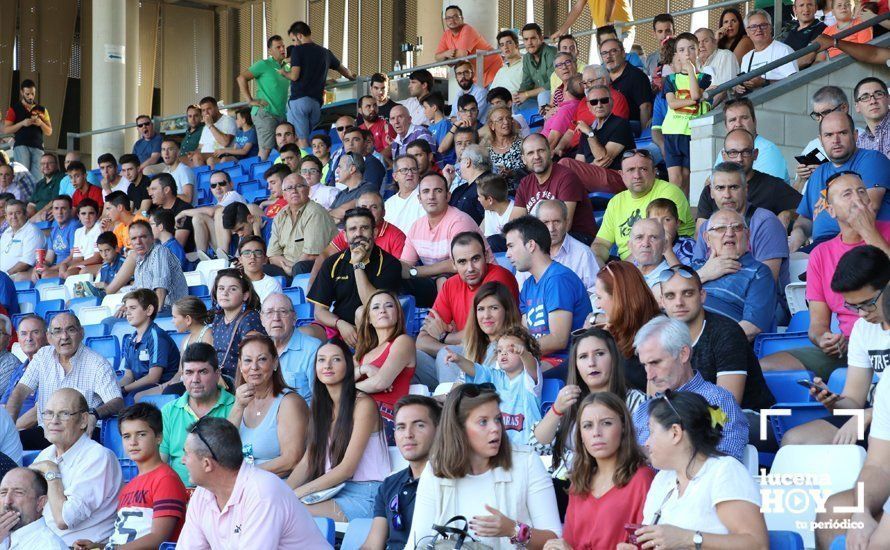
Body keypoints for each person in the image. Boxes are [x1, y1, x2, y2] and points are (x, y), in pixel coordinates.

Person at [762, 173, 890, 378]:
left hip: (886, 340)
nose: (857, 199)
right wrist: (825, 339)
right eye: (847, 194)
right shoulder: (821, 254)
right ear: (831, 210)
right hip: (848, 346)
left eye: (861, 192)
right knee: (763, 368)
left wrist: (868, 232)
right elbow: (817, 325)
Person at [406, 383, 561, 548]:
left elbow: (555, 541)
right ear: (459, 428)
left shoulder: (527, 461)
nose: (495, 428)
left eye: (497, 419)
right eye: (483, 422)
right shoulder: (435, 469)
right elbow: (416, 542)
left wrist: (514, 530)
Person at [619, 391, 768, 550]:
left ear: (675, 433)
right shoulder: (663, 479)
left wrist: (688, 538)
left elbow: (757, 545)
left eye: (651, 432)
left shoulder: (725, 471)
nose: (646, 442)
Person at [781, 246, 889, 447]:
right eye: (854, 306)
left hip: (879, 414)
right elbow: (853, 402)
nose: (862, 314)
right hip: (877, 416)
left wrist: (869, 414)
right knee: (795, 441)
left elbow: (862, 411)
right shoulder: (863, 329)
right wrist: (833, 401)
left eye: (868, 303)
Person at [532, 329, 647, 505]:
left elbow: (642, 452)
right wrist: (557, 409)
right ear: (575, 364)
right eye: (583, 357)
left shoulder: (635, 400)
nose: (592, 363)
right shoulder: (570, 399)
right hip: (563, 486)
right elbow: (538, 445)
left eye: (599, 354)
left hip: (615, 487)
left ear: (613, 358)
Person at [177, 416, 330, 548]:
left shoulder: (262, 492)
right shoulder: (202, 495)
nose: (183, 461)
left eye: (186, 454)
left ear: (206, 464)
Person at [288, 339, 390, 522]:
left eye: (336, 359)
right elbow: (307, 462)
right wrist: (284, 492)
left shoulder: (363, 404)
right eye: (321, 359)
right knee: (279, 505)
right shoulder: (320, 407)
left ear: (348, 365)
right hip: (332, 490)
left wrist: (296, 494)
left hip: (367, 494)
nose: (327, 365)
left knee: (291, 511)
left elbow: (346, 469)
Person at [543, 392, 653, 550]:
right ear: (580, 435)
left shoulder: (641, 478)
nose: (596, 433)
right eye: (587, 425)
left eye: (606, 423)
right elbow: (569, 542)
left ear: (623, 427)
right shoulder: (579, 481)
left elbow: (646, 544)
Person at [660, 265, 776, 415]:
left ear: (702, 296)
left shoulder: (727, 332)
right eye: (670, 296)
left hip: (753, 421)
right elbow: (655, 398)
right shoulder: (661, 337)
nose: (679, 302)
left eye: (688, 293)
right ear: (662, 302)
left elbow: (725, 409)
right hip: (693, 422)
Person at [631, 317, 749, 461]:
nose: (649, 376)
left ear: (683, 354)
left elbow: (726, 460)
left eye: (655, 362)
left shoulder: (716, 401)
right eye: (645, 365)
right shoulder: (644, 409)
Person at [74, 403, 188, 550]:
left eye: (141, 434)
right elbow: (127, 537)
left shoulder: (166, 479)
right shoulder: (129, 487)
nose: (133, 442)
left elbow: (158, 538)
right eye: (127, 436)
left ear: (159, 437)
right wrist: (99, 547)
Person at [414, 231, 518, 386]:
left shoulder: (498, 278)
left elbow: (486, 330)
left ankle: (453, 407)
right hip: (462, 356)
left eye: (475, 259)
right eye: (462, 262)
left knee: (447, 356)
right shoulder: (450, 285)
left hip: (491, 354)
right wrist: (451, 346)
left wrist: (444, 337)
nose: (470, 268)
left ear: (486, 256)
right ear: (454, 264)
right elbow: (422, 341)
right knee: (411, 358)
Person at [5, 313, 123, 449]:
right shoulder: (43, 356)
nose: (64, 336)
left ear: (81, 333)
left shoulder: (98, 364)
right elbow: (20, 392)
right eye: (57, 331)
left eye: (71, 330)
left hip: (82, 432)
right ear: (49, 337)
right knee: (7, 446)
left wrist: (94, 414)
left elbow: (117, 402)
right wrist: (9, 428)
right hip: (48, 431)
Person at [29, 388, 120, 545]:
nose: (54, 420)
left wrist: (51, 472)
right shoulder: (46, 454)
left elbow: (64, 519)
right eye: (49, 413)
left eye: (64, 414)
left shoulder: (98, 457)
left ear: (84, 420)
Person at [789, 111, 890, 252]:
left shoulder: (872, 159)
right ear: (821, 140)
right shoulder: (818, 173)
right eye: (828, 135)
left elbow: (868, 209)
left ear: (855, 135)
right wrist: (796, 237)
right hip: (820, 247)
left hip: (858, 244)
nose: (835, 140)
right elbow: (805, 219)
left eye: (842, 133)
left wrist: (828, 249)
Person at [504, 215, 592, 369]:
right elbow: (526, 334)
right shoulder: (528, 286)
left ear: (531, 245)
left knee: (518, 374)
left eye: (511, 246)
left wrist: (519, 351)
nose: (507, 254)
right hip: (540, 359)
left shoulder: (558, 279)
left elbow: (558, 339)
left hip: (568, 361)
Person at [306, 207, 402, 346]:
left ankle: (360, 363)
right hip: (339, 325)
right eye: (352, 229)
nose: (358, 234)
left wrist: (357, 265)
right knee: (306, 334)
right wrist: (339, 324)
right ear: (345, 236)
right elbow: (319, 311)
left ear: (374, 232)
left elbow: (373, 306)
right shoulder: (332, 263)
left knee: (361, 312)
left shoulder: (389, 263)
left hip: (373, 327)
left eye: (364, 228)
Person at [694, 161, 791, 289]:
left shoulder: (766, 222)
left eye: (734, 187)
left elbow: (766, 285)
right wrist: (704, 274)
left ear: (746, 190)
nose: (727, 195)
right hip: (708, 300)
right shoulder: (706, 226)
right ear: (711, 192)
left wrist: (706, 275)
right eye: (720, 188)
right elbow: (693, 275)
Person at [361, 395, 440, 550]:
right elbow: (372, 545)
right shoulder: (389, 484)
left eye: (419, 425)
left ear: (438, 430)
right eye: (401, 427)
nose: (408, 434)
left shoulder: (448, 482)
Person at [446, 326, 543, 446]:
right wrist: (458, 360)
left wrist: (524, 354)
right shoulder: (496, 376)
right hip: (501, 447)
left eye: (511, 350)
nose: (504, 353)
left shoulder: (529, 378)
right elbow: (476, 370)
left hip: (527, 447)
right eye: (500, 350)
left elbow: (531, 364)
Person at [227, 333, 308, 478]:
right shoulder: (240, 401)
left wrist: (244, 476)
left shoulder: (289, 403)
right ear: (240, 365)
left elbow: (292, 460)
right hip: (244, 485)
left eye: (262, 359)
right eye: (247, 361)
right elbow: (223, 449)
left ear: (275, 363)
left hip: (277, 486)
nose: (254, 367)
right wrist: (238, 407)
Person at [593, 150, 694, 263]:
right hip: (631, 266)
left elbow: (660, 241)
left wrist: (622, 271)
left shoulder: (669, 192)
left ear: (654, 172)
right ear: (621, 174)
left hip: (670, 261)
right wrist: (596, 262)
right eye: (630, 170)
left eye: (643, 169)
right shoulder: (616, 201)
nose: (637, 176)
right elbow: (601, 243)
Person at [400, 174, 490, 300]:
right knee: (395, 279)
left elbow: (457, 264)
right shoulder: (416, 227)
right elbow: (405, 265)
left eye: (438, 191)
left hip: (479, 282)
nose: (431, 196)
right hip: (435, 285)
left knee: (444, 278)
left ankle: (447, 319)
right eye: (426, 191)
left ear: (448, 196)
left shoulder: (459, 221)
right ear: (419, 198)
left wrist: (416, 271)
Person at [159, 342, 235, 486]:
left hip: (222, 491)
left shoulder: (235, 407)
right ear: (182, 375)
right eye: (189, 372)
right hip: (180, 495)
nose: (195, 380)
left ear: (217, 374)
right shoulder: (169, 412)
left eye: (203, 372)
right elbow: (160, 463)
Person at [695, 209, 778, 340]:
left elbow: (752, 327)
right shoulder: (696, 267)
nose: (729, 233)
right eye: (720, 228)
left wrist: (711, 344)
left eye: (737, 228)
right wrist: (703, 274)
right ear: (707, 238)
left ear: (747, 235)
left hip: (716, 345)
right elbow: (661, 299)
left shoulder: (759, 272)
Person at [697, 128, 801, 229]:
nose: (739, 159)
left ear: (755, 154)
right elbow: (700, 235)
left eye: (745, 152)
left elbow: (806, 207)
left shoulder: (772, 185)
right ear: (724, 156)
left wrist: (787, 214)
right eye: (733, 153)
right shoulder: (710, 191)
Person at [280, 20, 355, 149]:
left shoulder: (298, 51)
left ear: (299, 36)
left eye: (293, 40)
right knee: (307, 137)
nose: (294, 43)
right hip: (316, 104)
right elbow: (346, 72)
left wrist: (283, 73)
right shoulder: (325, 52)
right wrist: (354, 77)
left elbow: (294, 76)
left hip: (299, 101)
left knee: (300, 141)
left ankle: (306, 166)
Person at [354, 290, 417, 443]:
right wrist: (364, 369)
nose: (382, 310)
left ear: (397, 314)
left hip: (384, 415)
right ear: (368, 318)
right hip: (357, 413)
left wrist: (350, 388)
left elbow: (381, 382)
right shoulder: (362, 353)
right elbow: (339, 382)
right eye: (376, 307)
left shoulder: (403, 341)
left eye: (389, 306)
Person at [588, 261, 661, 391]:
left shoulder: (657, 337)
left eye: (599, 297)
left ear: (618, 298)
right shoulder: (615, 330)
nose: (597, 305)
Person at [513, 134, 597, 244]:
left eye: (541, 150)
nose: (536, 156)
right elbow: (514, 224)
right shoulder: (525, 183)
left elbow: (564, 227)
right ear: (524, 159)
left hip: (576, 239)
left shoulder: (567, 178)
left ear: (550, 153)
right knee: (496, 242)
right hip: (542, 238)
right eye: (530, 153)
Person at [558, 84, 635, 195]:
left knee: (565, 163)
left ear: (611, 102)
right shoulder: (587, 130)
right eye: (594, 102)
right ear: (589, 106)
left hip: (617, 178)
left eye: (604, 100)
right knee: (561, 171)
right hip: (591, 179)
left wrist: (590, 134)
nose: (599, 105)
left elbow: (603, 159)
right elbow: (579, 163)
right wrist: (591, 166)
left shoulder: (620, 124)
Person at [311, 190, 405, 280]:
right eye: (363, 207)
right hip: (349, 280)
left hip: (380, 282)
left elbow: (398, 270)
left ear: (384, 212)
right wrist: (312, 284)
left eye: (374, 207)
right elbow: (325, 255)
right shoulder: (352, 232)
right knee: (303, 266)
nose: (368, 211)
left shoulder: (397, 236)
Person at [661, 33, 711, 196]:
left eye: (691, 48)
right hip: (672, 132)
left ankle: (686, 215)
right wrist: (693, 101)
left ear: (697, 51)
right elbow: (673, 103)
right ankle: (674, 213)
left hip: (692, 133)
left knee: (687, 177)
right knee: (675, 179)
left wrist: (691, 71)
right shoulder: (670, 79)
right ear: (677, 54)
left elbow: (696, 94)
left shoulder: (704, 77)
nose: (687, 53)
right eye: (682, 50)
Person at [103, 220, 189, 314]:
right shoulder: (140, 260)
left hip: (171, 311)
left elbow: (161, 289)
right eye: (134, 238)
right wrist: (127, 306)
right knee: (110, 321)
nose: (138, 242)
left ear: (152, 238)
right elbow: (140, 292)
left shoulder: (159, 251)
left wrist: (153, 313)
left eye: (143, 237)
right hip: (150, 310)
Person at [518, 199, 600, 296]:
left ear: (566, 222)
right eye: (545, 222)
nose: (551, 229)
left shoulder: (583, 253)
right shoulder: (527, 254)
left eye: (556, 222)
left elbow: (597, 292)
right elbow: (519, 292)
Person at [267, 173, 337, 276]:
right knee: (264, 270)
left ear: (308, 190)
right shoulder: (280, 216)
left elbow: (311, 255)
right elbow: (273, 256)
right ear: (284, 195)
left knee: (301, 267)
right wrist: (290, 268)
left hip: (319, 266)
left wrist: (293, 269)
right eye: (289, 188)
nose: (294, 191)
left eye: (299, 186)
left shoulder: (315, 212)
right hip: (289, 266)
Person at [261, 293, 321, 405]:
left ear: (294, 318)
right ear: (262, 319)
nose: (276, 318)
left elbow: (321, 401)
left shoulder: (313, 349)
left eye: (283, 312)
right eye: (269, 312)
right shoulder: (258, 350)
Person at [237, 34, 289, 161]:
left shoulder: (287, 68)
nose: (282, 49)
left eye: (283, 46)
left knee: (285, 147)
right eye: (278, 47)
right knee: (265, 149)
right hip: (265, 113)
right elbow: (241, 78)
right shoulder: (263, 64)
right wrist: (250, 100)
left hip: (281, 114)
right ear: (270, 51)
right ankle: (260, 178)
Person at [119, 289, 180, 398]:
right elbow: (128, 376)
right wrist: (116, 389)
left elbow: (153, 378)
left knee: (133, 396)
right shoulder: (130, 339)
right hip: (141, 387)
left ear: (149, 310)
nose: (127, 312)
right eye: (126, 308)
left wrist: (124, 390)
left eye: (133, 308)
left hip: (162, 388)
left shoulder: (157, 337)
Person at [208, 268, 266, 379]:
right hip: (220, 380)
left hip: (241, 381)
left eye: (233, 289)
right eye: (221, 288)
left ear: (245, 295)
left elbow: (255, 359)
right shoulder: (218, 318)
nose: (225, 293)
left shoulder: (250, 319)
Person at [0, 467, 68, 549]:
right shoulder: (4, 538)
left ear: (40, 503)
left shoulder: (49, 546)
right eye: (3, 493)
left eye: (18, 492)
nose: (7, 501)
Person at [434, 5, 502, 86]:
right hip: (478, 75)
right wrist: (446, 53)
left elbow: (462, 55)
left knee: (494, 97)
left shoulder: (467, 29)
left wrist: (447, 59)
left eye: (455, 16)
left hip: (493, 69)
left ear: (462, 18)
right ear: (445, 20)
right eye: (448, 18)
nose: (452, 20)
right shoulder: (446, 34)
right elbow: (437, 58)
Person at [733, 10, 798, 95]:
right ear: (747, 32)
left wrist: (765, 82)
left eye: (763, 25)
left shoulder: (783, 50)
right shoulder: (746, 58)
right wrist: (740, 87)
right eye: (753, 27)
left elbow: (795, 83)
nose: (758, 30)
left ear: (770, 28)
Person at [3, 80, 51, 180]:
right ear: (22, 92)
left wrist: (41, 123)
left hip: (38, 147)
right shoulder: (14, 109)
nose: (30, 97)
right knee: (22, 177)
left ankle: (35, 196)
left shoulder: (42, 110)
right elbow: (6, 130)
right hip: (21, 145)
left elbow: (49, 131)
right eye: (27, 94)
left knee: (38, 179)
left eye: (32, 94)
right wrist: (22, 123)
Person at [600, 39, 653, 131]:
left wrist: (643, 136)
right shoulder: (602, 79)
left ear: (623, 53)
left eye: (613, 51)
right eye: (604, 53)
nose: (608, 56)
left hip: (630, 129)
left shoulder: (637, 76)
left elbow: (645, 107)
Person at [32, 195, 80, 280]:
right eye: (56, 208)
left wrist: (50, 269)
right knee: (34, 275)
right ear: (52, 211)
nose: (59, 212)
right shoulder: (55, 227)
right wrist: (38, 267)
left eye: (63, 208)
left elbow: (73, 256)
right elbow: (49, 258)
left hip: (69, 268)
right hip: (57, 268)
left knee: (45, 276)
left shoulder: (74, 226)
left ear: (70, 210)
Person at [515, 23, 558, 109]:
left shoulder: (551, 53)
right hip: (539, 97)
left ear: (541, 39)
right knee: (516, 104)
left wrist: (527, 94)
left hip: (556, 95)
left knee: (543, 95)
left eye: (533, 38)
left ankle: (546, 122)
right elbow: (526, 83)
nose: (529, 43)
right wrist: (518, 96)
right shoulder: (527, 57)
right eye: (526, 39)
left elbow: (552, 83)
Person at [0, 199, 42, 280]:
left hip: (15, 276)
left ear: (26, 214)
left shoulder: (32, 232)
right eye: (10, 214)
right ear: (6, 217)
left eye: (18, 213)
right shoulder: (6, 233)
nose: (14, 217)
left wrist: (5, 275)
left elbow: (25, 263)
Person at [383, 155, 425, 235]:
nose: (410, 173)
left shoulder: (427, 196)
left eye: (413, 169)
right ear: (395, 176)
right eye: (404, 170)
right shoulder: (388, 204)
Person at [627, 218, 672, 292]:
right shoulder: (623, 276)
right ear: (630, 246)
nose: (645, 244)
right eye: (639, 237)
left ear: (665, 245)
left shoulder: (672, 279)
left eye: (653, 237)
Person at [487, 107, 526, 192]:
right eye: (500, 119)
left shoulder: (522, 144)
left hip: (521, 192)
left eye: (508, 118)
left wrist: (513, 173)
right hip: (496, 195)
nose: (506, 122)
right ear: (492, 126)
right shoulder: (486, 150)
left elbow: (532, 170)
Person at [780, 0, 827, 69]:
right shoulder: (792, 30)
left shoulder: (821, 28)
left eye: (810, 5)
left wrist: (783, 71)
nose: (806, 9)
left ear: (816, 8)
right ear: (794, 9)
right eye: (801, 5)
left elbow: (807, 59)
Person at [854, 76, 890, 158]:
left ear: (888, 98)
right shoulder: (859, 144)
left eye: (878, 94)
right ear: (857, 107)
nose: (873, 101)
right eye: (865, 97)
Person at [478, 174, 514, 252]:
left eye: (479, 196)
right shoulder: (489, 210)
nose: (478, 199)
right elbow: (488, 238)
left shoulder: (515, 211)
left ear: (490, 200)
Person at [26, 153, 62, 221]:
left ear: (56, 165)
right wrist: (27, 217)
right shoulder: (39, 184)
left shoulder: (61, 179)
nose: (46, 166)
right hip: (35, 218)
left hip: (49, 216)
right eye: (43, 163)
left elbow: (54, 202)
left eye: (50, 163)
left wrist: (35, 218)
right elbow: (31, 205)